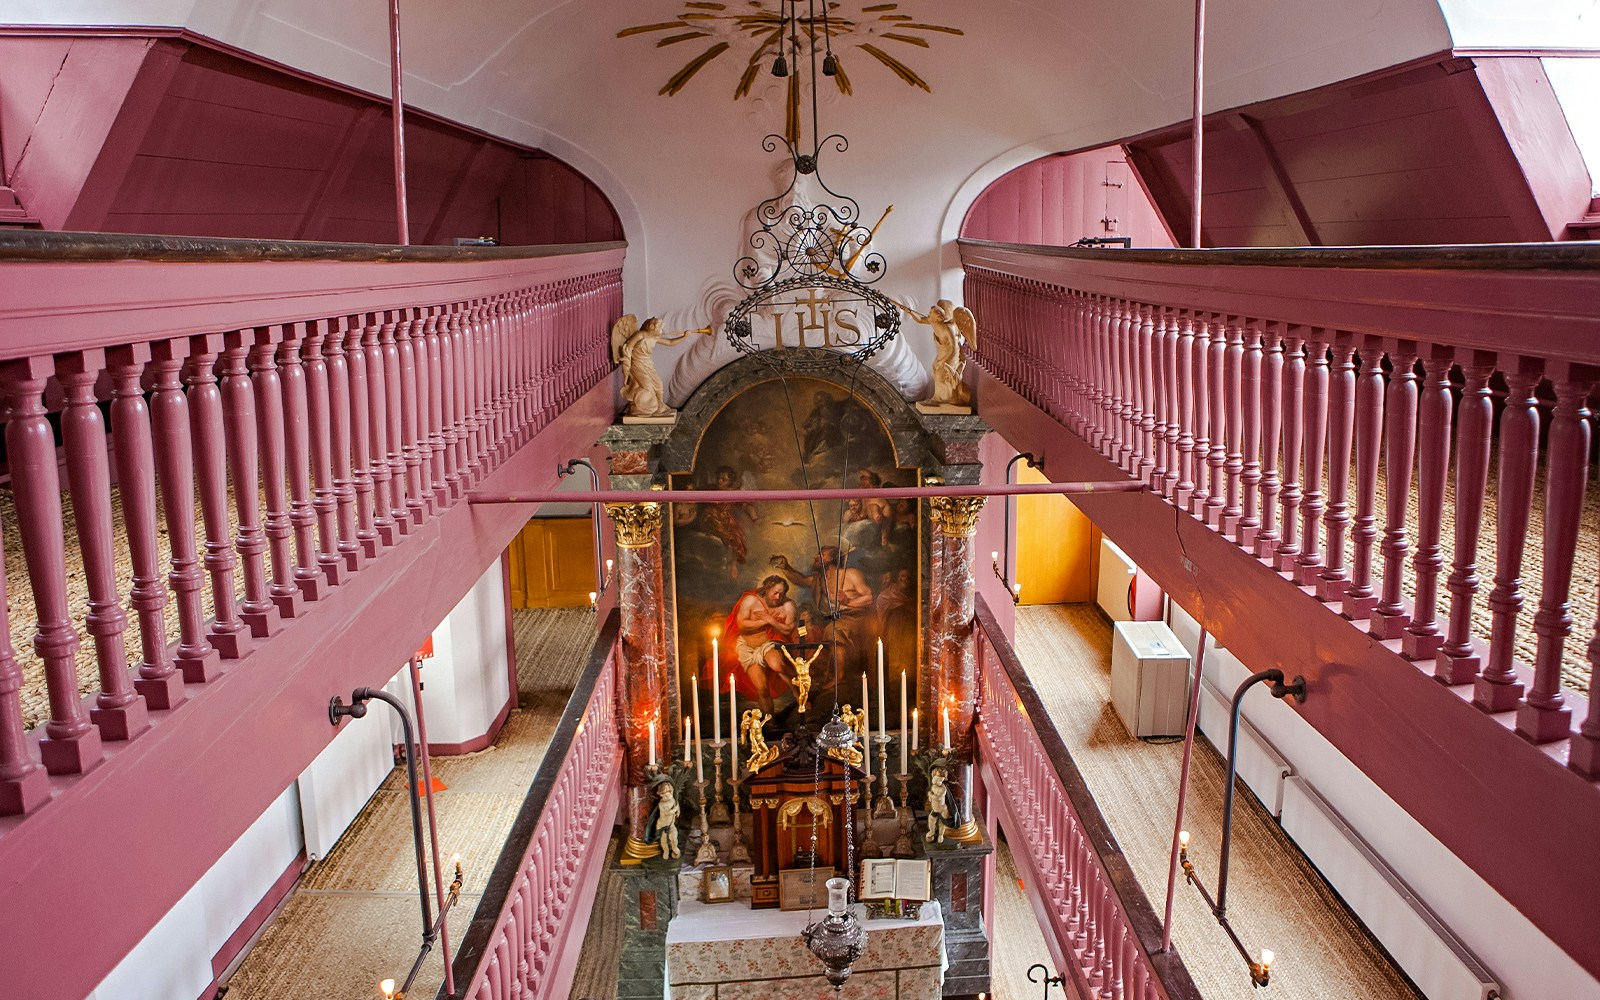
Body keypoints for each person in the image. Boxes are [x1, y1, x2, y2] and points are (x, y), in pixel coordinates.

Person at [710, 575, 797, 716]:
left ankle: (797, 687)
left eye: (782, 594)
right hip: (747, 647)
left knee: (777, 664)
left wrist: (770, 620)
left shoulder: (787, 605)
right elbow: (742, 624)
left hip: (767, 643)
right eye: (775, 592)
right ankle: (770, 721)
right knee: (761, 687)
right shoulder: (750, 600)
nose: (778, 597)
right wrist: (763, 622)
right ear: (767, 589)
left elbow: (788, 629)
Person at [903, 300, 976, 408]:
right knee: (936, 374)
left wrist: (942, 361)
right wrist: (909, 311)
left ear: (938, 317)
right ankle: (939, 398)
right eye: (932, 312)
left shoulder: (946, 328)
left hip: (951, 355)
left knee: (943, 375)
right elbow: (920, 320)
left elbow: (953, 346)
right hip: (942, 354)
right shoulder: (933, 322)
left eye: (935, 313)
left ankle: (950, 400)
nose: (930, 315)